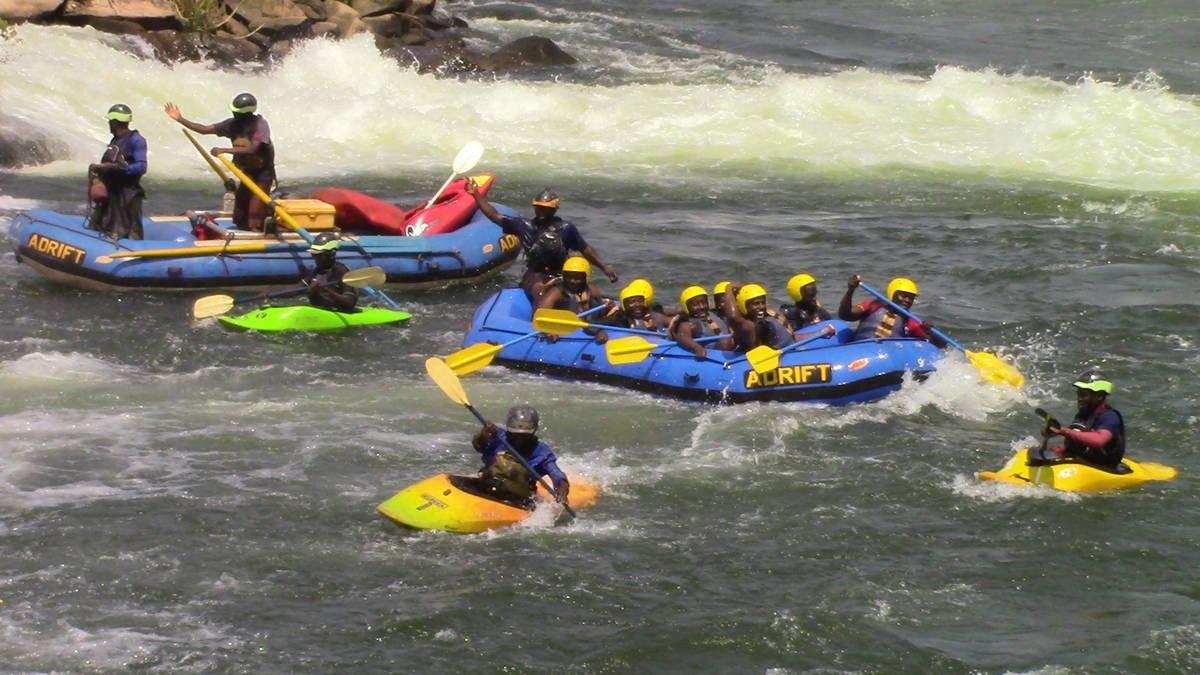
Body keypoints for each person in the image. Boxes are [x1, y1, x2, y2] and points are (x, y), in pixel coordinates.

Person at [464, 179, 618, 298]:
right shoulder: (523, 226)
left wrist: (604, 268)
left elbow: (585, 249)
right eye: (538, 207)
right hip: (535, 273)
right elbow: (493, 215)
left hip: (561, 274)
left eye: (546, 208)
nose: (541, 211)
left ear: (555, 209)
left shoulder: (566, 228)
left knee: (592, 293)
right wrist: (476, 194)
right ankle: (542, 324)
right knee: (540, 291)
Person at [164, 93, 275, 232]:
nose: (235, 114)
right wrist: (180, 119)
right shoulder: (232, 124)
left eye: (238, 112)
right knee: (240, 217)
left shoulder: (260, 125)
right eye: (234, 111)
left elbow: (253, 148)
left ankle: (258, 232)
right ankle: (246, 228)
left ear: (248, 113)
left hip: (262, 173)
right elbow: (204, 130)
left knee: (254, 218)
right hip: (247, 172)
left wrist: (224, 150)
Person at [473, 404, 570, 506]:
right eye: (515, 435)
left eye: (524, 436)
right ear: (509, 430)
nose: (519, 441)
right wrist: (483, 435)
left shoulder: (542, 452)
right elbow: (479, 446)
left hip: (517, 501)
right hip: (485, 490)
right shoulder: (497, 437)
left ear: (533, 432)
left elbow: (558, 476)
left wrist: (562, 490)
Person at [1038, 370, 1126, 470]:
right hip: (1083, 464)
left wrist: (1065, 431)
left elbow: (1099, 440)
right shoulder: (1083, 415)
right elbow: (1082, 445)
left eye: (1084, 394)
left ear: (1099, 396)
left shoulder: (1110, 417)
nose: (1079, 398)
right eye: (1079, 394)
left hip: (1103, 469)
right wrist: (1060, 449)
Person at [88, 104, 147, 240]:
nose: (109, 124)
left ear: (115, 122)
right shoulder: (115, 140)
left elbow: (142, 167)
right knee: (99, 225)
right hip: (112, 195)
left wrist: (114, 167)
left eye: (110, 121)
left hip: (129, 196)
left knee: (132, 234)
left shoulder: (137, 140)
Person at [838, 275, 947, 347]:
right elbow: (846, 315)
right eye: (903, 296)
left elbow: (941, 346)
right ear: (892, 294)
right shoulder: (872, 305)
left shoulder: (910, 321)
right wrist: (850, 290)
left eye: (911, 298)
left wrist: (930, 331)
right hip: (859, 349)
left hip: (889, 357)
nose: (907, 300)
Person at [537, 256, 611, 343]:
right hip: (565, 327)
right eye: (569, 277)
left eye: (577, 278)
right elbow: (540, 315)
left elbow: (600, 313)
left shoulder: (592, 290)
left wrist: (608, 307)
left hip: (588, 325)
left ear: (585, 278)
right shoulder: (556, 293)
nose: (572, 281)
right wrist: (549, 331)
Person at [723, 282, 794, 352]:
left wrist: (728, 289)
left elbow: (733, 317)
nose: (761, 307)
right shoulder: (772, 315)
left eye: (763, 303)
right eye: (756, 304)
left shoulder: (750, 326)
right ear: (744, 305)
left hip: (769, 357)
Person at [669, 285, 733, 360]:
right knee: (725, 342)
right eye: (695, 305)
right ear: (687, 307)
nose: (702, 307)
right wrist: (697, 348)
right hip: (716, 353)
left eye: (704, 302)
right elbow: (682, 337)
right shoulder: (689, 323)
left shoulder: (714, 314)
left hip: (730, 350)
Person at [303, 233, 358, 312]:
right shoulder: (316, 271)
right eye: (313, 255)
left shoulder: (342, 272)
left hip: (339, 311)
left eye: (319, 255)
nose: (315, 258)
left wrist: (325, 290)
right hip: (320, 310)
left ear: (332, 254)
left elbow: (349, 302)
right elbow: (297, 288)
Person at [602, 279, 669, 333]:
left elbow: (671, 321)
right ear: (625, 305)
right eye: (632, 302)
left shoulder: (654, 316)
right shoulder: (620, 319)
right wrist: (599, 332)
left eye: (640, 301)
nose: (637, 305)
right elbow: (595, 325)